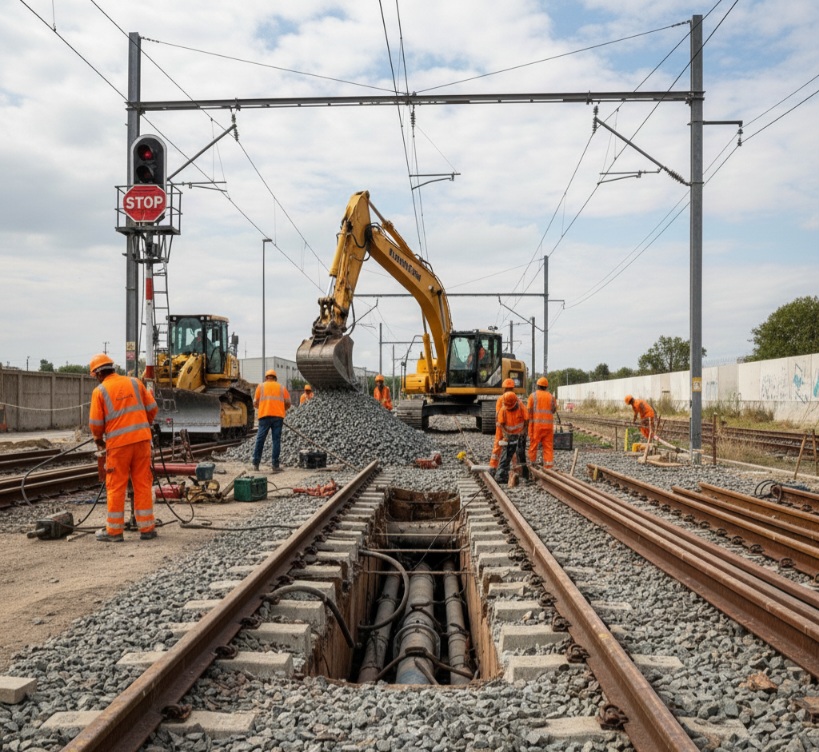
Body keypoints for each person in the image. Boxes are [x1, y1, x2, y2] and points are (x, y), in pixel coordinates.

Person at [88, 353, 158, 543]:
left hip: (118, 446)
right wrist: (144, 425)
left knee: (116, 486)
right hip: (142, 441)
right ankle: (147, 529)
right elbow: (153, 408)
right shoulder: (135, 382)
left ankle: (114, 532)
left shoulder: (100, 391)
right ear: (112, 368)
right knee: (143, 483)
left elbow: (95, 423)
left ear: (98, 374)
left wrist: (98, 440)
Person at [253, 369, 291, 472]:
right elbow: (288, 403)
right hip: (278, 417)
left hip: (264, 416)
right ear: (275, 378)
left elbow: (255, 402)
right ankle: (275, 465)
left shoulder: (260, 387)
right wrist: (281, 409)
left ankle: (256, 463)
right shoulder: (281, 387)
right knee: (276, 440)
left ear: (266, 377)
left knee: (260, 439)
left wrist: (263, 407)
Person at [494, 390, 528, 485]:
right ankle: (501, 476)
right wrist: (505, 436)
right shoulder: (503, 410)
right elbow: (501, 425)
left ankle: (524, 475)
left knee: (520, 454)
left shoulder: (521, 407)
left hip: (520, 435)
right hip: (509, 436)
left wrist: (523, 431)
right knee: (506, 455)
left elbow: (526, 420)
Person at [489, 378, 519, 475]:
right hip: (512, 428)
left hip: (501, 427)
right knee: (513, 447)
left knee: (497, 446)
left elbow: (498, 415)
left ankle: (493, 466)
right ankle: (516, 467)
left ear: (504, 388)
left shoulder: (500, 399)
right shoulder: (516, 399)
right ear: (513, 388)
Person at [528, 377, 558, 470]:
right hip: (548, 427)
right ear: (546, 387)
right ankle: (548, 467)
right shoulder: (551, 397)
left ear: (537, 386)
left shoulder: (533, 396)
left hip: (536, 427)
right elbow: (553, 410)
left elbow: (529, 411)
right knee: (548, 447)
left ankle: (532, 465)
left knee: (533, 446)